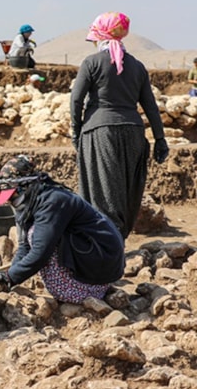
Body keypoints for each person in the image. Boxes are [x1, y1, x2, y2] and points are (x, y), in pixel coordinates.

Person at [70, 12, 169, 239]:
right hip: (134, 133)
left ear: (100, 35)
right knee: (128, 191)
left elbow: (76, 100)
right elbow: (151, 106)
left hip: (101, 131)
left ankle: (107, 251)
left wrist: (76, 131)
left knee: (103, 192)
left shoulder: (92, 62)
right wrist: (160, 139)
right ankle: (117, 242)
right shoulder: (137, 66)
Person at [0, 155, 125, 304]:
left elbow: (40, 252)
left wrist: (10, 277)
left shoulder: (52, 201)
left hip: (101, 260)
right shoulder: (29, 203)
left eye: (11, 196)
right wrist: (7, 277)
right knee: (34, 235)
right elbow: (24, 247)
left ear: (26, 186)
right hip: (90, 256)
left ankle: (83, 291)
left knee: (36, 234)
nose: (9, 201)